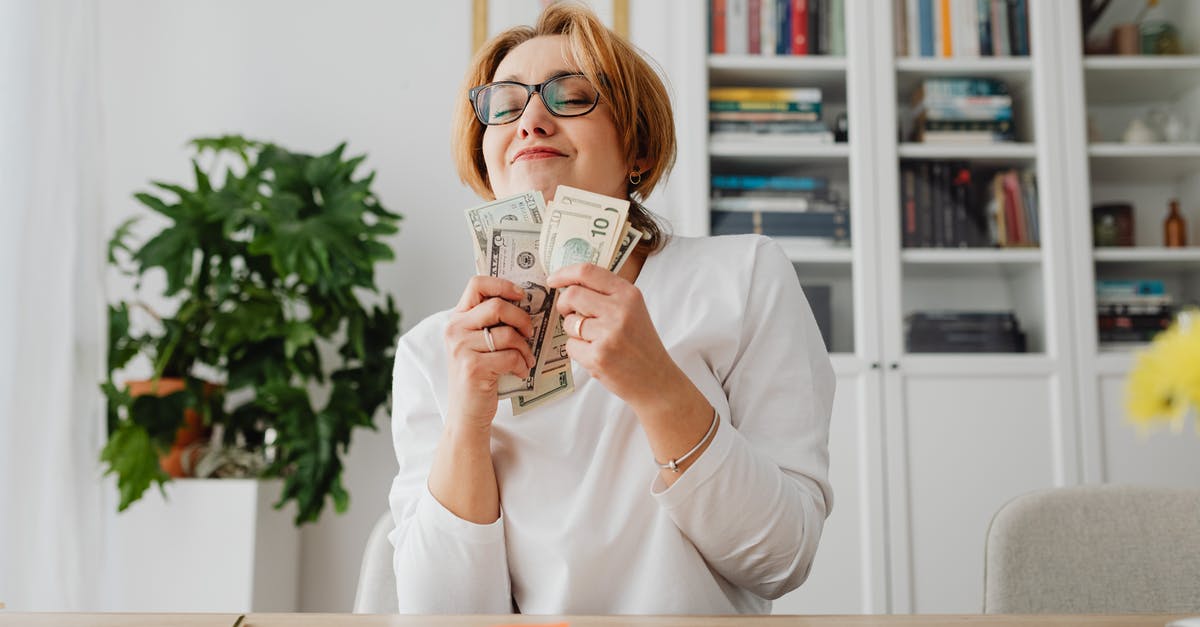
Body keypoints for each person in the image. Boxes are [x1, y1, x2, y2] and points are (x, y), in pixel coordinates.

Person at [387, 2, 834, 615]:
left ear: (638, 152)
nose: (531, 120)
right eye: (506, 104)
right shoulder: (431, 352)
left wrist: (658, 387)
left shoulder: (744, 276)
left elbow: (781, 558)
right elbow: (439, 613)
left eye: (570, 96)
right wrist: (467, 420)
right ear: (487, 158)